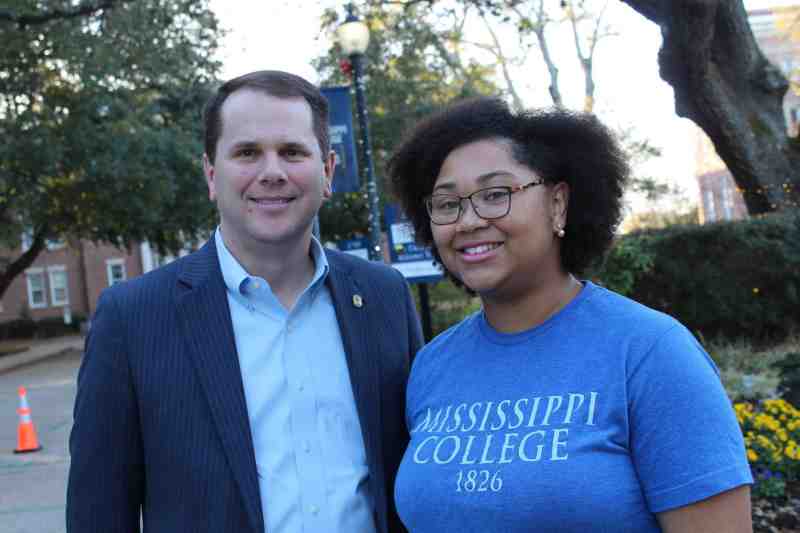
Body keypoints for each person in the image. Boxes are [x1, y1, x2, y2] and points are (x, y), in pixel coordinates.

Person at [67, 70, 423, 533]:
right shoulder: (132, 318)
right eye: (247, 152)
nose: (272, 172)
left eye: (292, 151)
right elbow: (99, 513)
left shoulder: (383, 297)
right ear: (212, 175)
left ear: (328, 171)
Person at [388, 97, 753, 532]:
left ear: (557, 203)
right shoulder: (432, 365)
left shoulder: (649, 352)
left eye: (495, 194)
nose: (468, 221)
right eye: (447, 204)